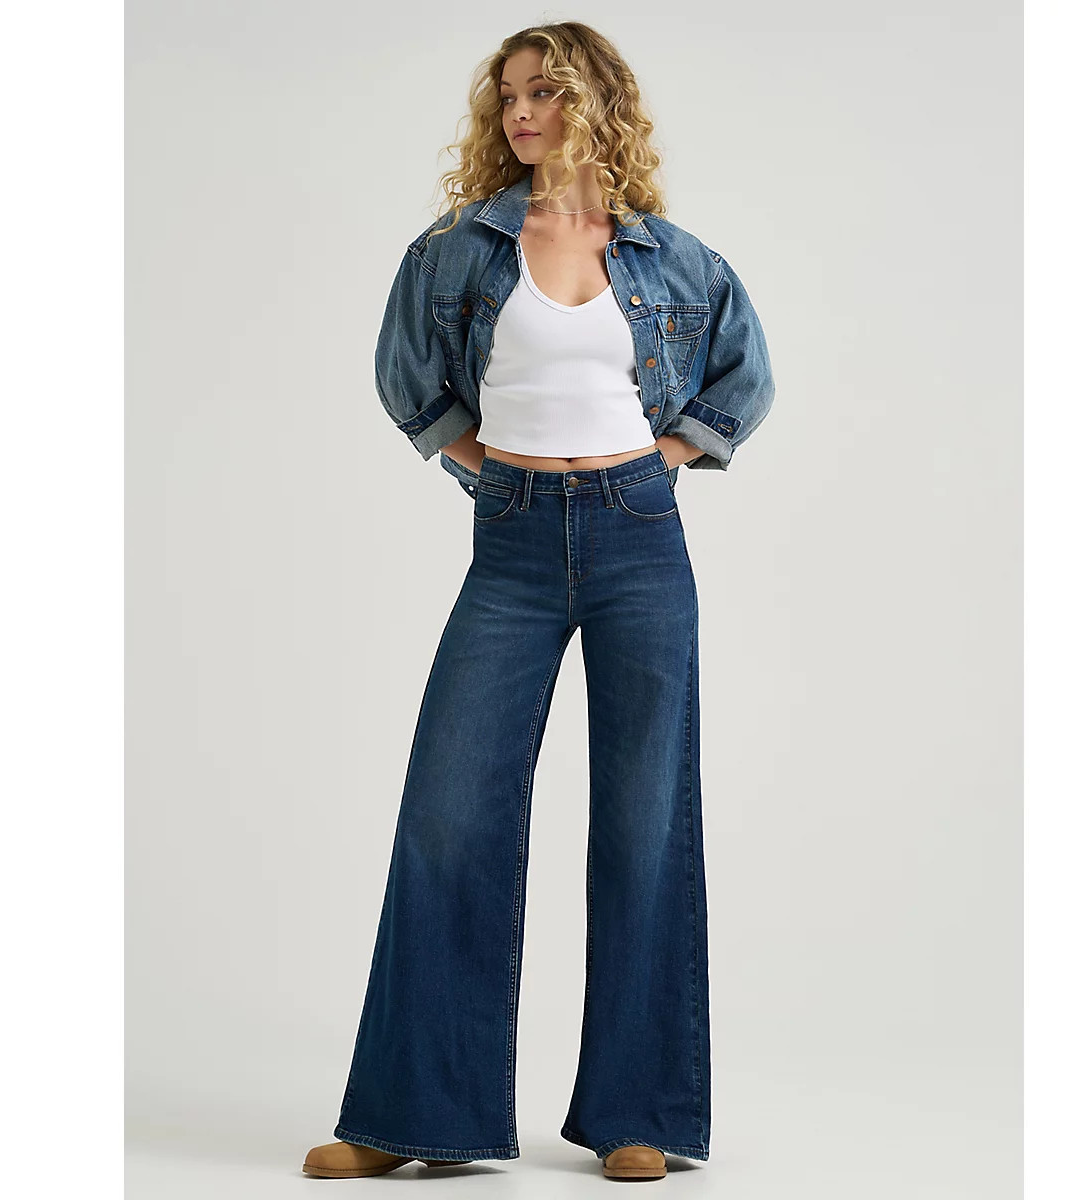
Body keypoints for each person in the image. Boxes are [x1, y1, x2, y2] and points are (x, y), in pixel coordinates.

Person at [302, 20, 774, 1183]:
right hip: (510, 542)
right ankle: (413, 1117)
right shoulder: (458, 249)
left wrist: (664, 457)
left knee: (645, 819)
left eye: (546, 92)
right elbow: (407, 376)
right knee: (451, 810)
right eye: (509, 95)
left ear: (596, 104)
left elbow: (744, 372)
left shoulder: (673, 259)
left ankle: (639, 1112)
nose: (521, 113)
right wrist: (486, 470)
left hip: (638, 539)